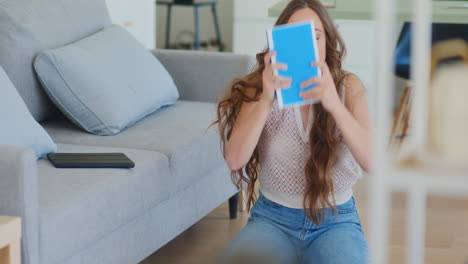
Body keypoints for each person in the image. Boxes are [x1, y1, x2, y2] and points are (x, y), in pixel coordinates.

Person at [212, 0, 372, 263]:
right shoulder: (259, 89)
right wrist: (265, 100)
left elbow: (373, 162)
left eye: (315, 37)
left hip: (336, 221)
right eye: (296, 38)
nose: (306, 47)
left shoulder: (347, 85)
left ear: (326, 43)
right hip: (273, 219)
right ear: (279, 45)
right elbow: (235, 159)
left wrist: (334, 105)